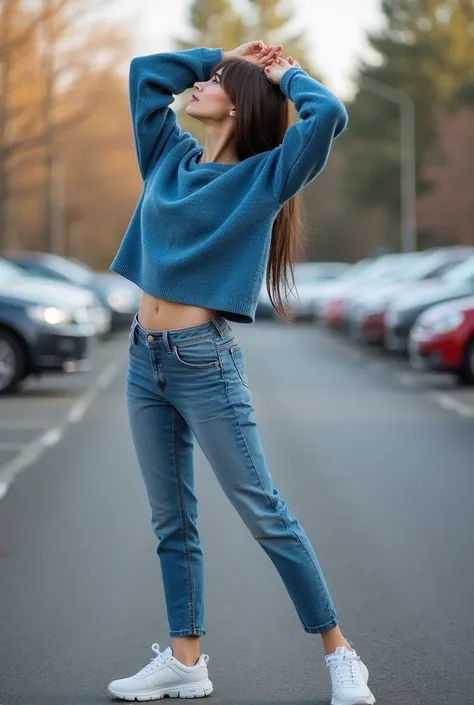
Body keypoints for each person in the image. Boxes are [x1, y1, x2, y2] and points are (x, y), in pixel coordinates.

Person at [107, 40, 375, 705]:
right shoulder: (168, 158)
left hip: (206, 364)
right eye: (204, 80)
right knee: (172, 521)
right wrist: (220, 56)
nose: (198, 86)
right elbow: (145, 76)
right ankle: (185, 659)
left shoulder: (264, 177)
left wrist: (283, 75)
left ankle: (341, 653)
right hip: (145, 361)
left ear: (244, 102)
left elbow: (329, 114)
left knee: (264, 512)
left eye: (217, 82)